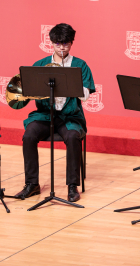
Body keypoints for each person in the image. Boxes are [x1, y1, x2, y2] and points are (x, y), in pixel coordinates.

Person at [13, 23, 95, 203]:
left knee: (73, 137)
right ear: (51, 43)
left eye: (66, 43)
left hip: (70, 117)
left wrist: (71, 82)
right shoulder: (40, 65)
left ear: (71, 43)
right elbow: (27, 91)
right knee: (29, 136)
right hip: (44, 115)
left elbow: (87, 97)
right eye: (58, 44)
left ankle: (72, 186)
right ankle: (31, 184)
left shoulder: (80, 65)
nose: (62, 48)